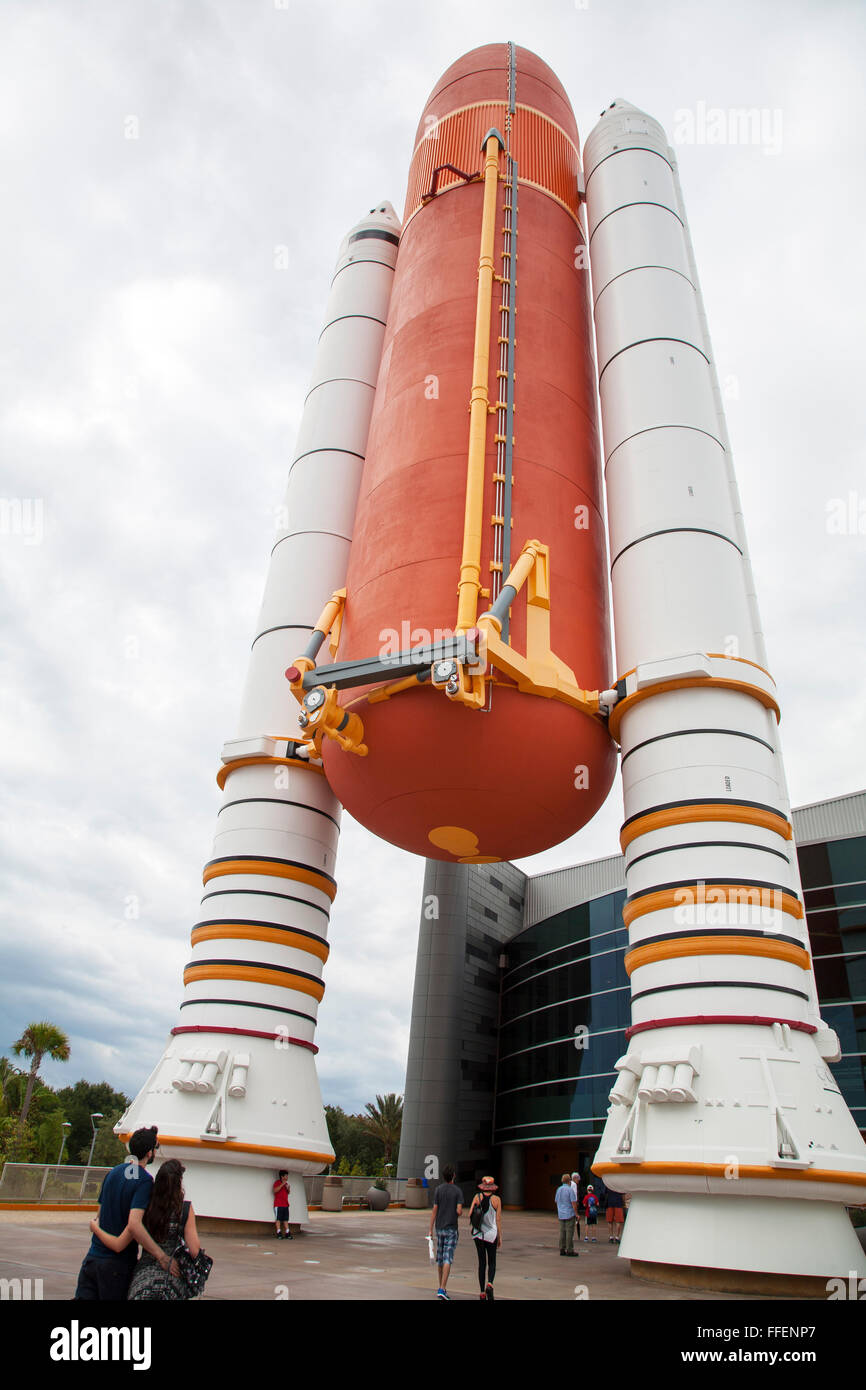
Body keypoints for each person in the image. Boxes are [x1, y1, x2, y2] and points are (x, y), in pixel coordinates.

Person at [74, 1125, 168, 1300]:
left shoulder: (113, 1173)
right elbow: (134, 1225)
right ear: (149, 1153)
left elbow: (99, 1216)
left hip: (92, 1260)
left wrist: (95, 1229)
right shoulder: (144, 1181)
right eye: (156, 1148)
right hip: (116, 1267)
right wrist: (160, 1255)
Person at [89, 1158, 200, 1300]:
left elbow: (119, 1243)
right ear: (179, 1183)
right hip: (171, 1276)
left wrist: (95, 1227)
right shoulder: (184, 1210)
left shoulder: (145, 1209)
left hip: (144, 1274)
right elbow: (195, 1249)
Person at [429, 1164, 463, 1299]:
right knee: (448, 1257)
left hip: (439, 1227)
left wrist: (430, 1229)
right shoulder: (457, 1191)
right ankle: (442, 1288)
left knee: (440, 1258)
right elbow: (459, 1211)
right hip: (451, 1228)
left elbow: (434, 1211)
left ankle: (441, 1287)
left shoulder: (438, 1190)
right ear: (453, 1175)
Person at [468, 1175, 502, 1301]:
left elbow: (470, 1214)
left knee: (482, 1262)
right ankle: (490, 1284)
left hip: (478, 1234)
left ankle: (482, 1292)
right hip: (491, 1234)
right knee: (492, 1261)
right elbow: (498, 1219)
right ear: (493, 1188)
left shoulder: (477, 1197)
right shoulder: (497, 1200)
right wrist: (500, 1236)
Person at [554, 1173, 579, 1256]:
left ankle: (562, 1248)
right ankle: (570, 1250)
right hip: (569, 1213)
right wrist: (576, 1214)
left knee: (562, 1232)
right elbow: (573, 1203)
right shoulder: (570, 1190)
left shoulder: (559, 1189)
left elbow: (556, 1201)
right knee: (569, 1232)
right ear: (569, 1181)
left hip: (561, 1214)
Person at [273, 1170, 292, 1239]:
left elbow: (288, 1193)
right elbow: (275, 1190)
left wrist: (288, 1189)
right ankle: (279, 1232)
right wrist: (282, 1184)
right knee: (278, 1219)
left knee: (285, 1219)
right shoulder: (277, 1182)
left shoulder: (287, 1184)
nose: (287, 1177)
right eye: (286, 1176)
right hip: (278, 1204)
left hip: (285, 1204)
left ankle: (287, 1232)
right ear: (282, 1176)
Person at [570, 1171, 581, 1242]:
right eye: (578, 1178)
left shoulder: (570, 1183)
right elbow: (574, 1196)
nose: (579, 1180)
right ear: (575, 1178)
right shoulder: (574, 1185)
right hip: (572, 1204)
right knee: (573, 1220)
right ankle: (571, 1236)